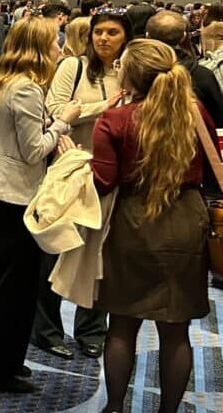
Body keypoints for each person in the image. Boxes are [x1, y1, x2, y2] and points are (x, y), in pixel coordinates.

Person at [92, 39, 212, 413]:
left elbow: (103, 183)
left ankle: (114, 407)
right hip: (186, 219)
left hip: (132, 223)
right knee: (176, 331)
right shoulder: (196, 113)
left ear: (131, 74)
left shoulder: (114, 120)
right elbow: (211, 169)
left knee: (122, 325)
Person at [0, 17, 79, 393]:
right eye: (54, 43)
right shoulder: (27, 90)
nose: (60, 49)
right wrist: (62, 124)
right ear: (38, 48)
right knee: (12, 288)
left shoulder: (2, 80)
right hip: (13, 195)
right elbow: (34, 151)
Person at [34, 11, 132, 360]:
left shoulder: (131, 72)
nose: (103, 38)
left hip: (111, 175)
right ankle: (45, 330)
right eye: (98, 32)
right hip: (70, 167)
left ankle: (91, 329)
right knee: (56, 248)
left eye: (112, 32)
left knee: (99, 253)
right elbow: (57, 108)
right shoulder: (72, 67)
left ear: (125, 37)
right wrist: (103, 106)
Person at [147, 11, 223, 137]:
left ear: (147, 36)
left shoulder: (134, 73)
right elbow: (218, 118)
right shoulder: (204, 75)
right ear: (183, 37)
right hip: (193, 146)